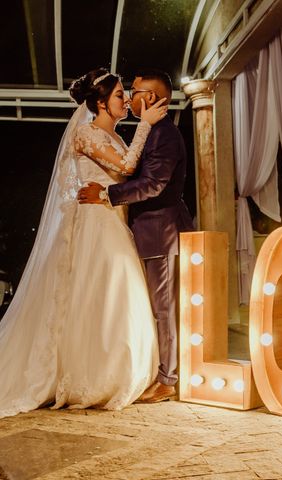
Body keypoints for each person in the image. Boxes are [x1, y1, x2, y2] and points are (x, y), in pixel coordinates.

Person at [0, 67, 168, 418]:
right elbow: (125, 166)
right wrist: (146, 125)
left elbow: (128, 166)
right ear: (102, 103)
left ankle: (122, 367)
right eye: (120, 95)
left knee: (118, 295)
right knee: (100, 294)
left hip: (114, 221)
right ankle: (92, 376)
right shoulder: (84, 133)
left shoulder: (116, 137)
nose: (125, 101)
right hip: (95, 225)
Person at [78, 69, 193, 404]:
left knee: (164, 308)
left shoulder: (166, 135)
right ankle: (157, 371)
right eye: (125, 91)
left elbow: (154, 184)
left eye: (135, 90)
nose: (129, 96)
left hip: (161, 232)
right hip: (148, 231)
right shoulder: (153, 132)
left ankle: (168, 379)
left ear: (152, 99)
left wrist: (107, 195)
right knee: (154, 307)